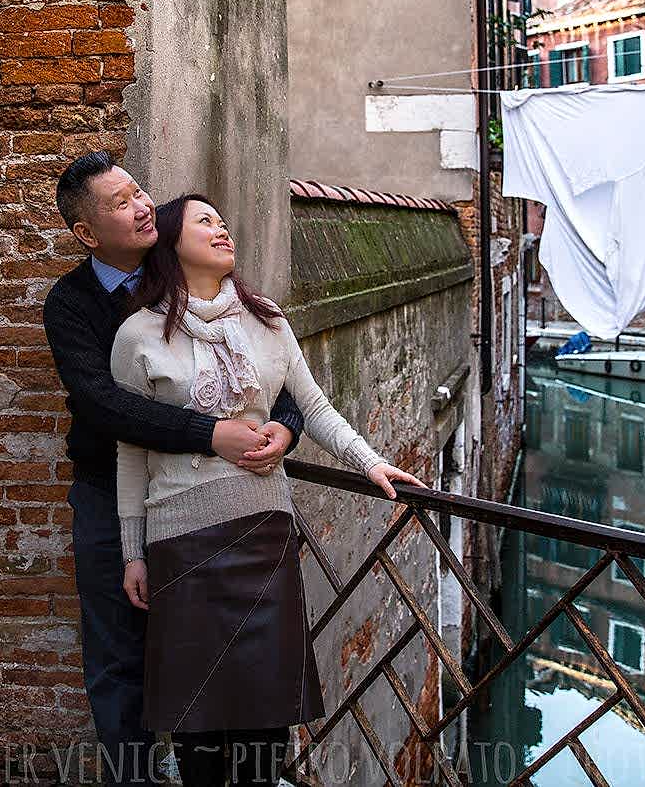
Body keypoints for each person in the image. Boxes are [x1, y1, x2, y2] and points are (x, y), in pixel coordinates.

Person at [111, 194, 426, 787]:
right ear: (172, 243)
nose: (222, 228)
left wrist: (371, 463)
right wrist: (133, 550)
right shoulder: (138, 335)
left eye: (223, 220)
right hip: (180, 542)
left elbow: (314, 407)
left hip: (263, 534)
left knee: (265, 716)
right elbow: (131, 447)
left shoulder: (268, 320)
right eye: (204, 221)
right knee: (196, 717)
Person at [42, 152, 310, 786]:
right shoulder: (72, 304)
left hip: (213, 508)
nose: (139, 208)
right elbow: (107, 407)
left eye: (139, 194)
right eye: (119, 204)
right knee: (119, 656)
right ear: (87, 233)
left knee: (219, 659)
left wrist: (286, 429)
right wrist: (209, 433)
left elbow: (279, 374)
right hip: (112, 497)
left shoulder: (199, 280)